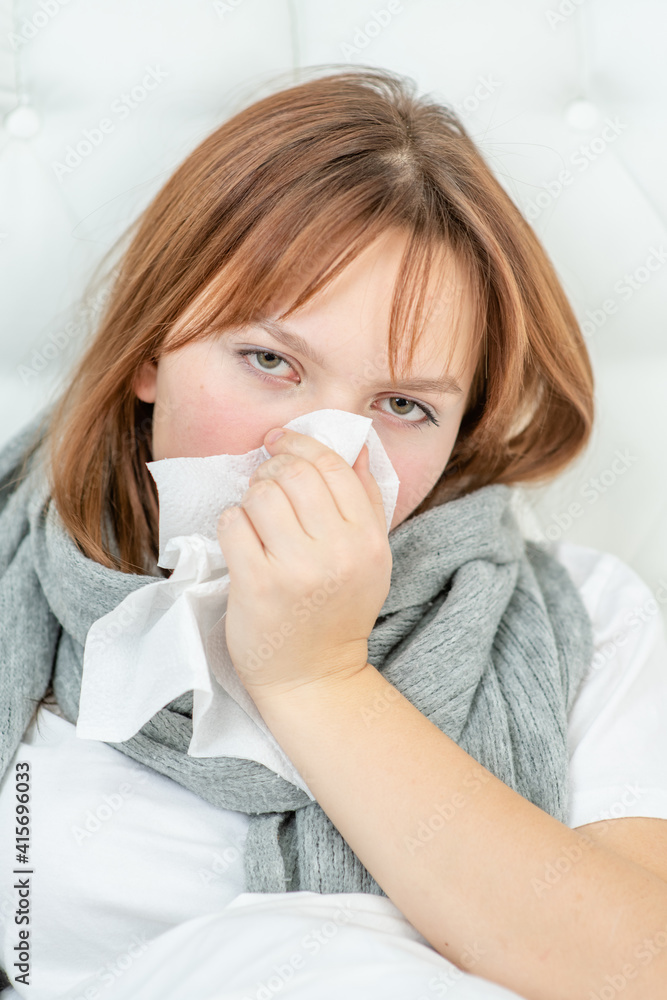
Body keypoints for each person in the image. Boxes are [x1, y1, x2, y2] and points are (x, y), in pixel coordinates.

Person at [1, 66, 666, 1000]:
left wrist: (317, 676)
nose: (319, 450)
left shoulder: (587, 623)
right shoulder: (14, 580)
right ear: (151, 351)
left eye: (402, 404)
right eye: (269, 360)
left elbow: (639, 971)